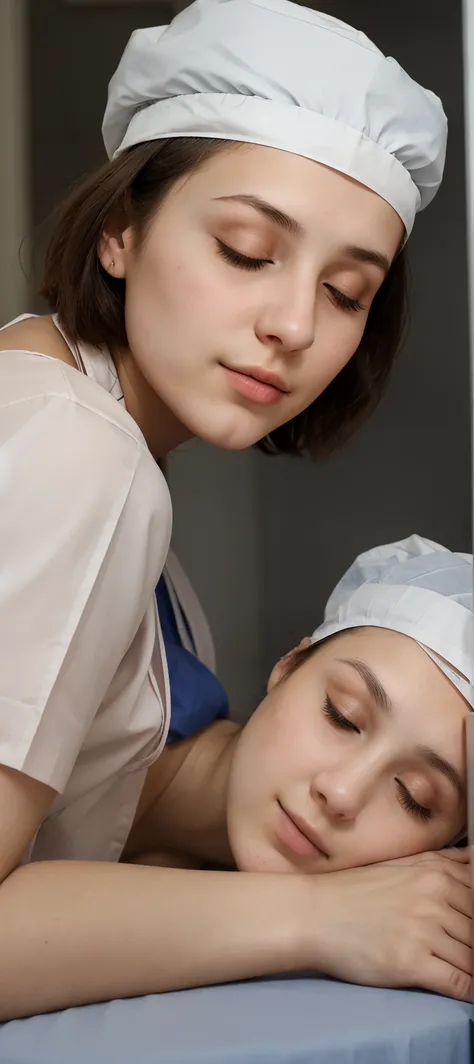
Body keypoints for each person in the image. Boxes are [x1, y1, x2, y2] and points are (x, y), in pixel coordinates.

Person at [0, 0, 463, 1021]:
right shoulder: (80, 454)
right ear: (120, 228)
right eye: (250, 249)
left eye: (348, 292)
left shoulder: (66, 410)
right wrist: (323, 919)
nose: (294, 324)